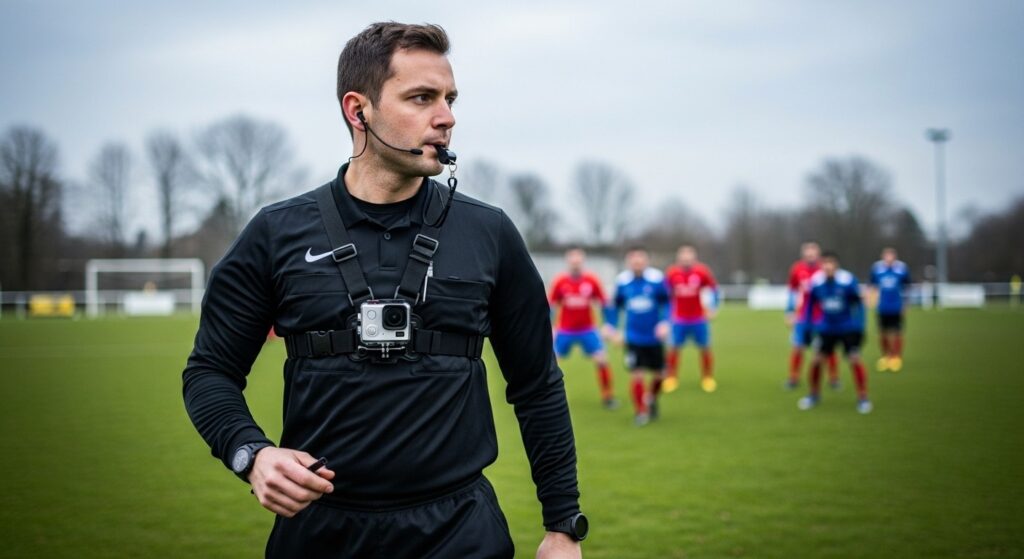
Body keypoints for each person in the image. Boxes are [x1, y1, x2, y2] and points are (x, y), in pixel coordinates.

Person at [182, 23, 586, 558]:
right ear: (358, 110)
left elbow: (537, 385)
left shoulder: (490, 234)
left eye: (449, 98)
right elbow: (209, 372)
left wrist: (562, 527)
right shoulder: (276, 233)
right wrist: (251, 454)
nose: (446, 117)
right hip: (320, 531)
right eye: (421, 98)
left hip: (460, 531)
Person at [798, 251, 872, 414]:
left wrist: (859, 327)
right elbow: (809, 305)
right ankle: (813, 395)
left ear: (836, 265)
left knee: (854, 359)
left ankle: (863, 397)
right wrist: (807, 327)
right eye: (825, 263)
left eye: (831, 263)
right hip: (826, 328)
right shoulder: (816, 282)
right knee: (817, 360)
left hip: (847, 328)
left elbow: (859, 304)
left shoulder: (847, 281)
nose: (828, 266)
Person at [603, 247, 671, 426]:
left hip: (654, 336)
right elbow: (614, 307)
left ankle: (651, 398)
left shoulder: (657, 280)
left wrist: (664, 322)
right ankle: (640, 412)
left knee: (661, 375)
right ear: (629, 262)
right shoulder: (623, 282)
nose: (637, 263)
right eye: (634, 261)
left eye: (640, 260)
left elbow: (668, 303)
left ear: (646, 261)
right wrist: (612, 327)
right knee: (637, 374)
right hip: (633, 337)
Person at [549, 247, 616, 408]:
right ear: (568, 263)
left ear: (583, 262)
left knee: (602, 359)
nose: (575, 265)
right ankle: (549, 399)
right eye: (573, 262)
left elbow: (605, 304)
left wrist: (609, 325)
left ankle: (608, 397)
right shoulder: (560, 282)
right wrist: (550, 328)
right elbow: (550, 306)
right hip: (565, 330)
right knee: (550, 364)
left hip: (587, 329)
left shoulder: (591, 281)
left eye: (578, 262)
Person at [663, 245, 720, 393]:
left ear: (694, 259)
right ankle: (671, 377)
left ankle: (707, 377)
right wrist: (667, 315)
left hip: (699, 318)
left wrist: (713, 307)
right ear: (678, 259)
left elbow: (714, 289)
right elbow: (664, 295)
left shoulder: (702, 272)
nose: (686, 261)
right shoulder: (672, 273)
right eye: (683, 258)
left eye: (689, 258)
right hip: (679, 319)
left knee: (705, 348)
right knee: (674, 349)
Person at [785, 242, 839, 390]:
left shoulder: (825, 269)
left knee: (827, 349)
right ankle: (793, 378)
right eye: (808, 254)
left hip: (822, 317)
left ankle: (834, 378)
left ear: (818, 255)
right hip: (803, 316)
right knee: (798, 347)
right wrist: (789, 312)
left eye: (813, 254)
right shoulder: (797, 269)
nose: (810, 256)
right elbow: (792, 291)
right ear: (803, 254)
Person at [869, 247, 911, 372]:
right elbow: (872, 286)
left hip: (897, 306)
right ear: (883, 256)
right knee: (882, 332)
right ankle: (885, 356)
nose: (889, 258)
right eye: (886, 256)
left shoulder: (902, 269)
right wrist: (871, 300)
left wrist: (906, 304)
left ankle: (896, 357)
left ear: (895, 257)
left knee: (897, 332)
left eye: (891, 256)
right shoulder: (877, 269)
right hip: (882, 307)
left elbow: (907, 288)